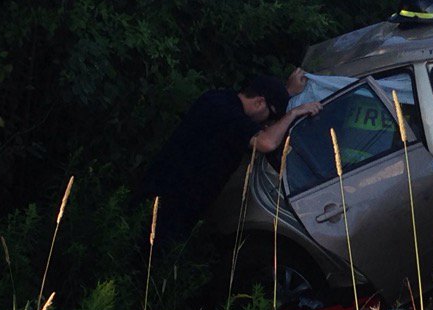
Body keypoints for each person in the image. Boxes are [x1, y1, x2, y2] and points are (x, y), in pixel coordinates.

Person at [138, 73, 321, 248]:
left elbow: (261, 113)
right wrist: (293, 113)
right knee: (153, 249)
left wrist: (286, 93)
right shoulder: (230, 115)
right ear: (259, 102)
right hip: (175, 198)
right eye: (271, 115)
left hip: (166, 188)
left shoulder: (218, 99)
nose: (268, 123)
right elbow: (267, 142)